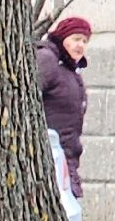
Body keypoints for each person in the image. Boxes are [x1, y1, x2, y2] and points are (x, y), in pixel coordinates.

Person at [38, 15, 91, 197]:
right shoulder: (47, 59)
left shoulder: (70, 70)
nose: (80, 45)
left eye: (84, 41)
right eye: (76, 39)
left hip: (66, 158)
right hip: (50, 157)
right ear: (62, 38)